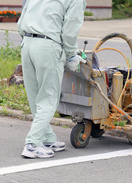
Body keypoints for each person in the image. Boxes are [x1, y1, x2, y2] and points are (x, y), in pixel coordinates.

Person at [18, 0, 87, 158]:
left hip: (27, 43)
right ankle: (33, 144)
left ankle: (47, 138)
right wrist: (71, 54)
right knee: (48, 98)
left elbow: (21, 20)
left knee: (35, 96)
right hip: (48, 47)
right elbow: (70, 31)